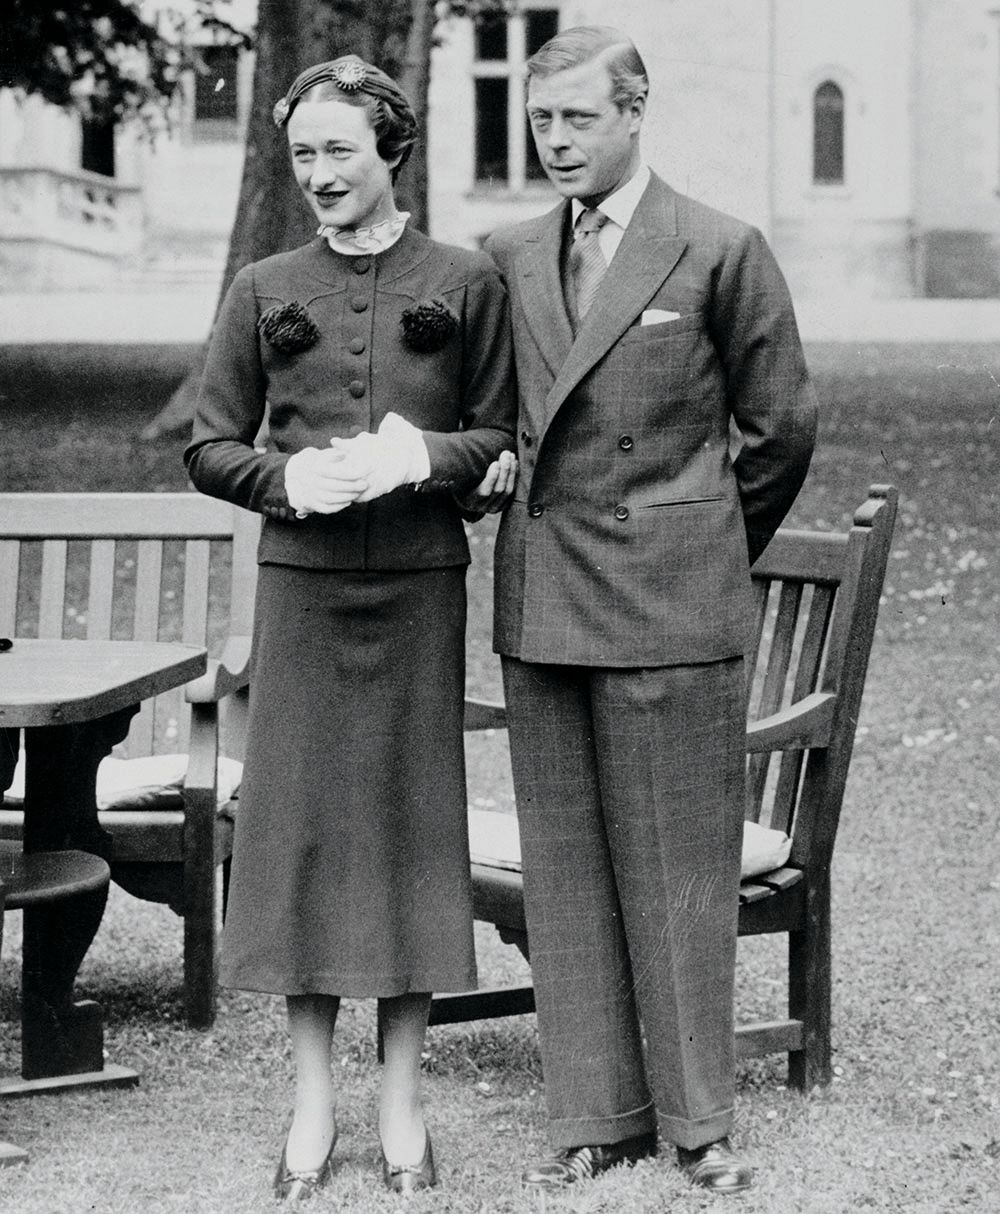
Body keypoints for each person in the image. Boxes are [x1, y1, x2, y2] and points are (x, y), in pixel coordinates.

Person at [482, 25, 817, 1197]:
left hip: (670, 605)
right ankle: (596, 1113)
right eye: (540, 122)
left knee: (678, 873)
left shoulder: (719, 248)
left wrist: (697, 545)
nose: (557, 141)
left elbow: (780, 435)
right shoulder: (509, 252)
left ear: (634, 114)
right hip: (543, 598)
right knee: (565, 864)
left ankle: (696, 1122)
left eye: (578, 119)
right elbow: (492, 417)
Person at [184, 55, 515, 1202]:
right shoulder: (262, 282)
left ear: (391, 151)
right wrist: (284, 482)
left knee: (409, 829)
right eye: (303, 155)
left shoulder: (467, 280)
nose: (319, 174)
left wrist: (426, 455)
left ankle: (404, 1106)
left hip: (420, 587)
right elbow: (207, 441)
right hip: (306, 589)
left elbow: (502, 438)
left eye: (339, 151)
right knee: (306, 834)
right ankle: (313, 1108)